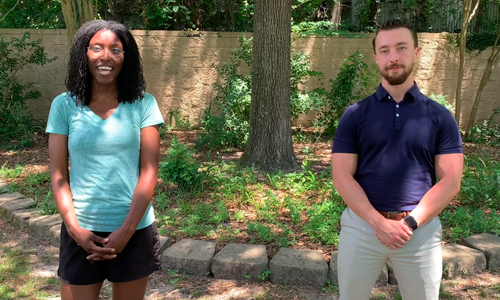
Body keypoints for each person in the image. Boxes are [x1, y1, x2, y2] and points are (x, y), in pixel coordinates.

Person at [331, 19, 463, 300]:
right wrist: (379, 224)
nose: (393, 57)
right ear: (376, 57)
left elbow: (451, 181)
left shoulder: (440, 117)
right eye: (385, 50)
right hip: (362, 229)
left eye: (401, 48)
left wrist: (410, 224)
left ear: (415, 52)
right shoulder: (355, 115)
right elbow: (342, 176)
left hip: (420, 233)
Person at [46, 20, 164, 300]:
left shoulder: (143, 104)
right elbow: (59, 174)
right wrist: (75, 231)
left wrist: (126, 231)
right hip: (81, 229)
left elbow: (149, 171)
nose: (106, 57)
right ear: (83, 53)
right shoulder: (64, 105)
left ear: (127, 57)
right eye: (96, 48)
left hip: (134, 229)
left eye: (116, 50)